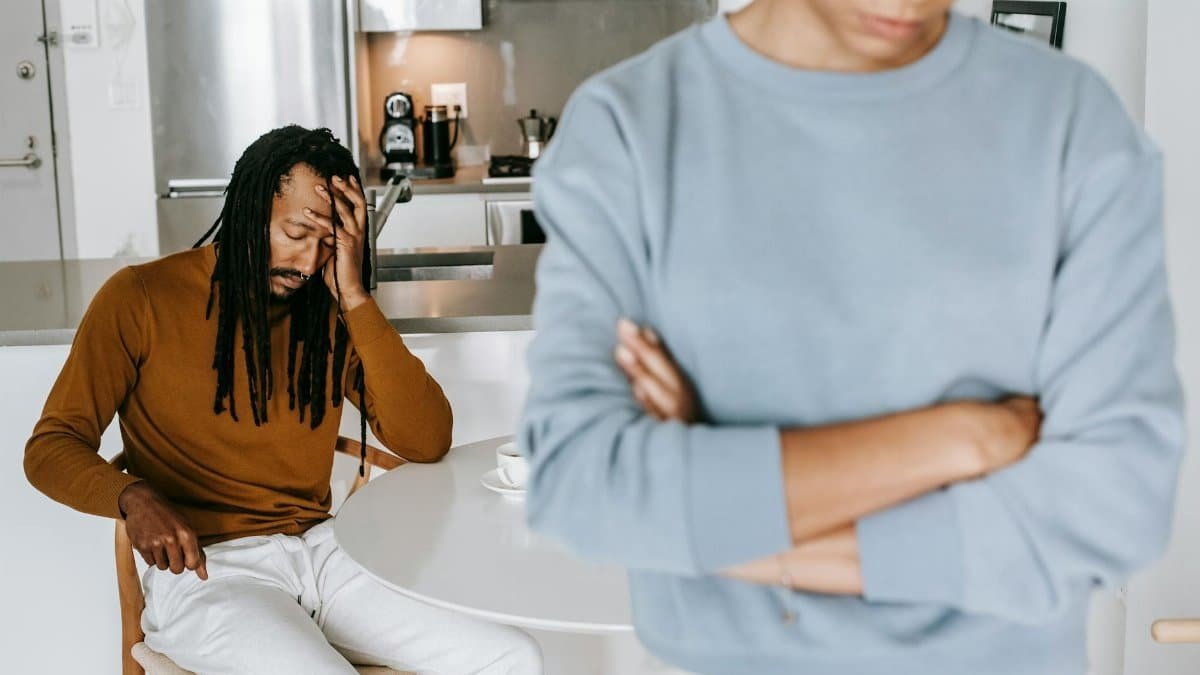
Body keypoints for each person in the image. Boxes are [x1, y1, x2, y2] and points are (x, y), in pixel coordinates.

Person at [519, 1, 1185, 673]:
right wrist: (964, 438)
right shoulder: (629, 127)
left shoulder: (1070, 118)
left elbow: (1115, 501)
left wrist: (708, 516)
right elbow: (583, 482)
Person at [25, 126, 542, 674]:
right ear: (249, 209)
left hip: (325, 555)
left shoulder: (327, 308)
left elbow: (427, 439)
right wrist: (132, 496)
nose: (308, 262)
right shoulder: (140, 298)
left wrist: (355, 298)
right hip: (208, 573)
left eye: (328, 242)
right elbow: (50, 447)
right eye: (296, 232)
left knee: (513, 657)